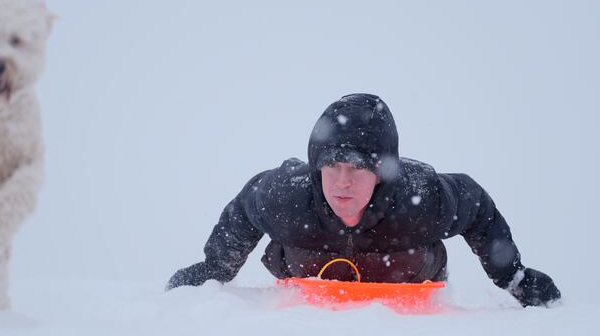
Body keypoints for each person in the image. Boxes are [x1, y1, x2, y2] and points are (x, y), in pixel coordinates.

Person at [166, 93, 561, 307]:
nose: (342, 182)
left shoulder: (420, 199)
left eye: (358, 169)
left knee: (405, 259)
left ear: (382, 173)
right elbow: (243, 211)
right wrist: (215, 269)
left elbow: (476, 207)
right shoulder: (287, 195)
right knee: (300, 250)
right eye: (332, 166)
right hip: (306, 285)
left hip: (405, 290)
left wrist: (513, 277)